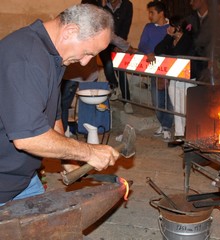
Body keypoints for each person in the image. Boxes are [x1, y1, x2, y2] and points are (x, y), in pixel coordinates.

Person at [0, 4, 119, 205]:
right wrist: (90, 151)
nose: (84, 63)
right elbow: (28, 138)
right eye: (88, 52)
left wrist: (68, 162)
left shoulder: (54, 56)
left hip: (24, 179)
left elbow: (52, 115)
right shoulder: (26, 58)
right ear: (70, 31)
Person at [82, 0, 135, 114]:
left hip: (119, 41)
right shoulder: (102, 5)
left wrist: (121, 45)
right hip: (104, 41)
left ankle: (127, 101)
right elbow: (103, 27)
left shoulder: (127, 5)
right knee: (108, 65)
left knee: (121, 71)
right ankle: (114, 86)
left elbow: (126, 25)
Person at [154, 15, 195, 142]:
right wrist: (168, 36)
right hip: (175, 77)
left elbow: (177, 53)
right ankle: (179, 134)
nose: (169, 28)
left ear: (178, 28)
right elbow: (158, 50)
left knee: (185, 108)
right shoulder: (171, 39)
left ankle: (189, 135)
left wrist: (171, 38)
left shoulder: (188, 40)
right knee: (176, 107)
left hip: (188, 78)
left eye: (171, 25)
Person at [138, 0, 173, 141]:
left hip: (170, 69)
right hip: (154, 68)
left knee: (168, 99)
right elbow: (142, 44)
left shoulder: (171, 27)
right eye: (149, 12)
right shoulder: (148, 27)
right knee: (156, 99)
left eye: (152, 12)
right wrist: (149, 52)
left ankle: (166, 127)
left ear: (161, 13)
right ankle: (163, 124)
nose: (150, 15)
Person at [61, 58, 98, 133]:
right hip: (89, 74)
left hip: (71, 75)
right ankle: (88, 132)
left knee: (63, 106)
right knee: (89, 107)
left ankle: (62, 132)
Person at [186, 0, 211, 80]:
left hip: (210, 62)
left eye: (193, 0)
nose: (191, 3)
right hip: (193, 64)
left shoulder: (215, 19)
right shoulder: (188, 20)